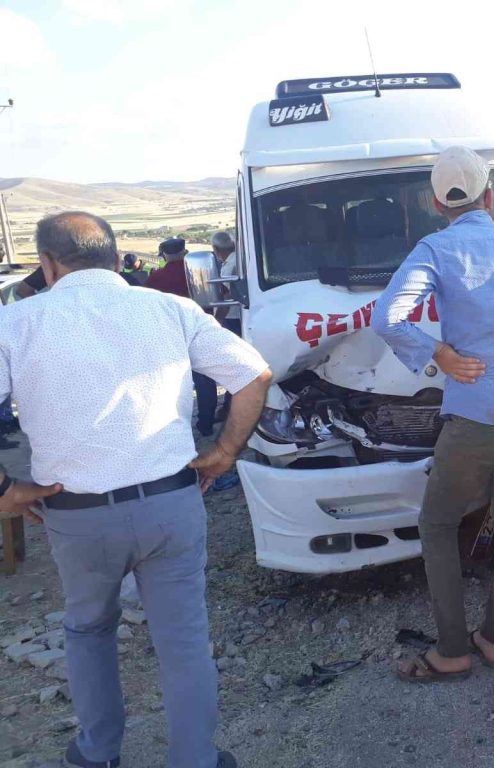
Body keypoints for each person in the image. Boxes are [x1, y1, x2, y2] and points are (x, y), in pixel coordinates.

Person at [0, 211, 271, 768]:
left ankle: (97, 754)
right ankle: (195, 759)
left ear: (47, 264)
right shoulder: (169, 308)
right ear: (119, 259)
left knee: (88, 630)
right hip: (172, 503)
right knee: (184, 642)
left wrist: (6, 488)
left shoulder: (17, 323)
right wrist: (224, 452)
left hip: (76, 515)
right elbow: (253, 374)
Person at [372, 146, 494, 682]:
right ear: (491, 194)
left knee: (436, 524)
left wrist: (439, 354)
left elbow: (389, 318)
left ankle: (452, 650)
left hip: (479, 416)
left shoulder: (435, 248)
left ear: (437, 202)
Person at [146, 237, 218, 436]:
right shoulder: (200, 273)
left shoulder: (156, 277)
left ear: (165, 254)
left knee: (175, 383)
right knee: (205, 381)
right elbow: (220, 295)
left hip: (171, 335)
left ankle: (179, 428)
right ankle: (206, 425)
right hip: (201, 330)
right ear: (183, 251)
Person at [211, 231, 240, 424]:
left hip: (234, 319)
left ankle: (230, 408)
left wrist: (217, 320)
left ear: (216, 249)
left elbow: (230, 296)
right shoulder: (239, 258)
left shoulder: (229, 265)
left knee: (234, 366)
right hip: (241, 318)